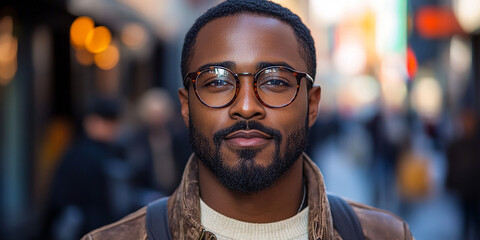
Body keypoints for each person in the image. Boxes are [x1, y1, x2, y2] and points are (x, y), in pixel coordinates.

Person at [82, 1, 413, 239]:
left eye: (274, 81)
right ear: (185, 107)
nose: (245, 106)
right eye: (217, 81)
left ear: (312, 105)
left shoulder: (383, 234)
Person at [43, 97, 124, 240]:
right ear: (91, 122)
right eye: (107, 123)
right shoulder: (80, 155)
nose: (112, 129)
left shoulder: (111, 152)